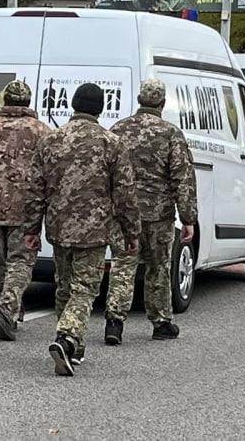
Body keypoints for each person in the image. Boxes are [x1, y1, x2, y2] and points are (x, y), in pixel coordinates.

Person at [24, 83, 140, 376]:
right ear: (100, 109)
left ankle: (73, 349)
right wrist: (131, 231)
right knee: (85, 289)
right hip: (94, 228)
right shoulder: (111, 142)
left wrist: (31, 228)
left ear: (74, 105)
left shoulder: (51, 141)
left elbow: (36, 188)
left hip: (59, 226)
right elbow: (125, 193)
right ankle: (67, 337)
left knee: (64, 286)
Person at [104, 79, 197, 345]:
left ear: (138, 99)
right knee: (158, 267)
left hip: (123, 213)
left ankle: (114, 322)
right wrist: (188, 217)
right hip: (159, 214)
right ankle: (160, 322)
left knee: (123, 264)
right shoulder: (170, 133)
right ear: (162, 102)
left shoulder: (118, 129)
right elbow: (183, 177)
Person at [0, 80, 50, 342]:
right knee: (20, 260)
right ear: (27, 102)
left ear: (4, 99)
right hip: (25, 205)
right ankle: (7, 309)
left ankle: (7, 308)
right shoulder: (41, 131)